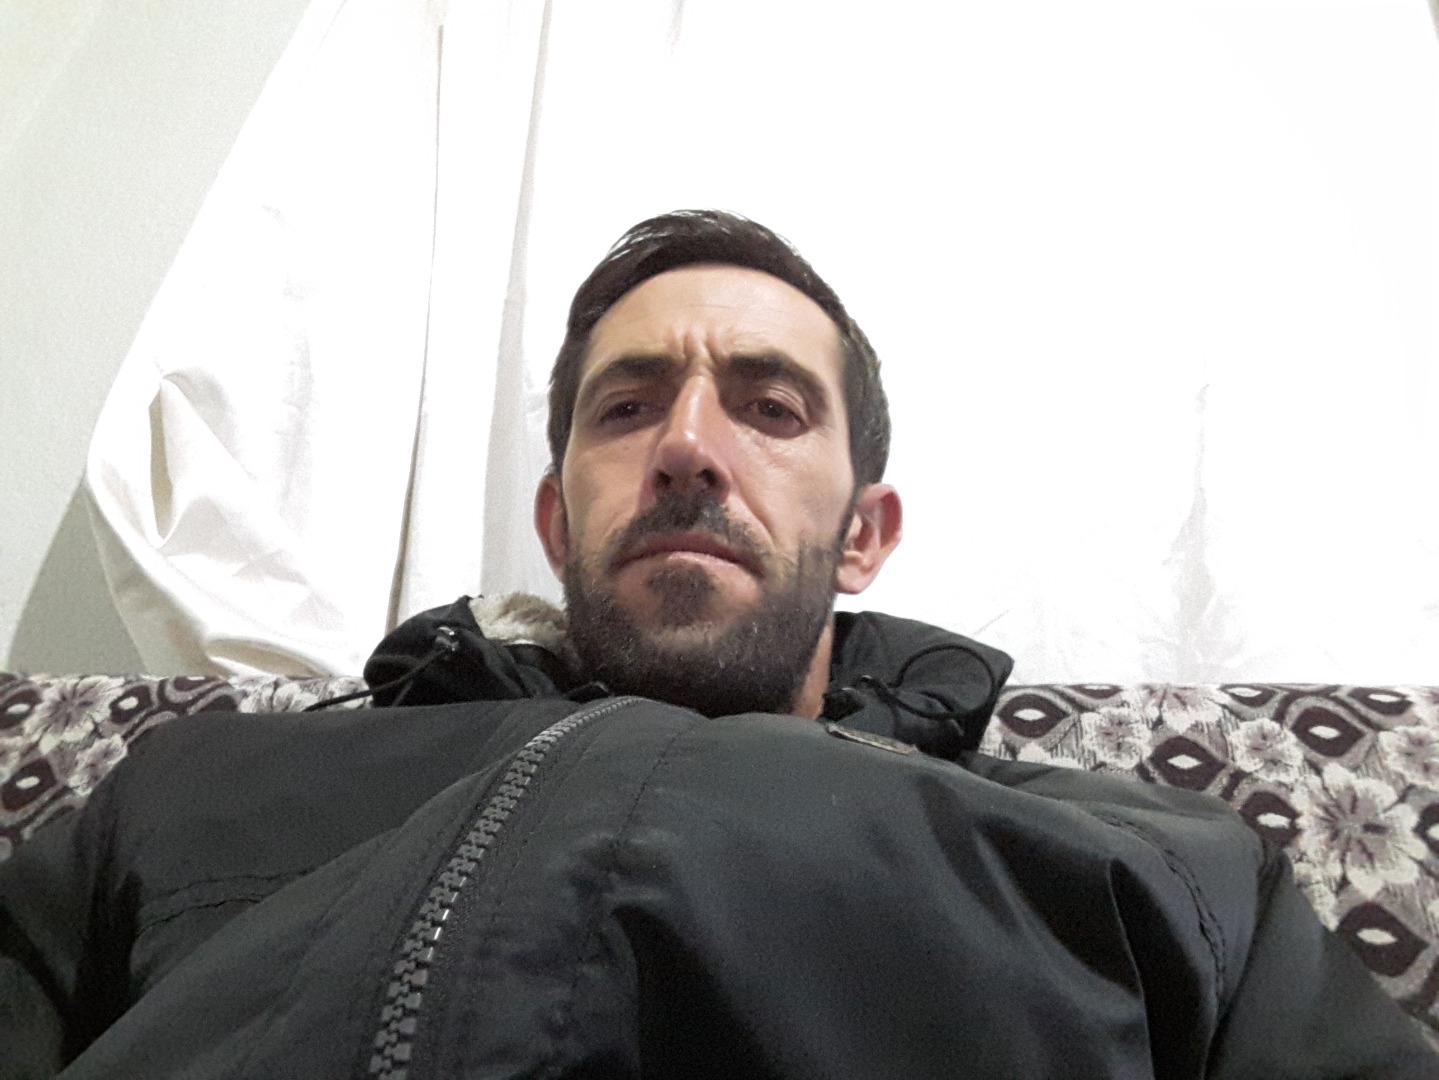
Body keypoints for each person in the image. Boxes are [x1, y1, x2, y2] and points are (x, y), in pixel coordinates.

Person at [1, 211, 1434, 1079]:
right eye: (628, 407)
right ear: (558, 520)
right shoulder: (191, 790)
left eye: (770, 407)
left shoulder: (1171, 872)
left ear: (863, 535)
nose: (688, 445)